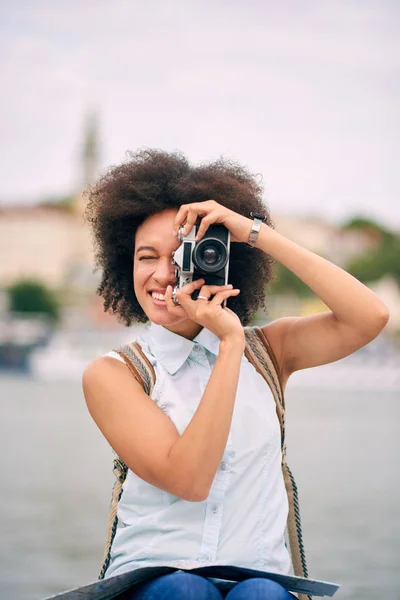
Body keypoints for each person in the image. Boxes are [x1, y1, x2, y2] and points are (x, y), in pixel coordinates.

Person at [82, 149, 389, 600]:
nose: (164, 274)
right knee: (186, 590)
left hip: (260, 576)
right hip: (156, 580)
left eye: (184, 254)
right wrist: (228, 346)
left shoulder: (270, 352)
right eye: (146, 257)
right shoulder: (115, 374)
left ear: (223, 259)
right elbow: (189, 479)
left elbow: (370, 316)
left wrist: (253, 233)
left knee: (260, 595)